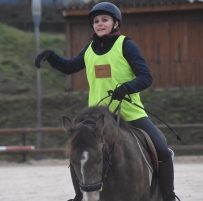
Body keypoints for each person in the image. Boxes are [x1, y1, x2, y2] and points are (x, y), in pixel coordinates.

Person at [34, 2, 179, 201]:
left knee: (162, 148)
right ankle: (79, 196)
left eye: (104, 20)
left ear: (115, 23)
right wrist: (51, 57)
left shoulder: (126, 45)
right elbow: (69, 67)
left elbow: (146, 77)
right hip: (98, 117)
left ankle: (169, 196)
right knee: (79, 148)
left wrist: (126, 88)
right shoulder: (89, 49)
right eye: (96, 21)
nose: (99, 24)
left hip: (129, 112)